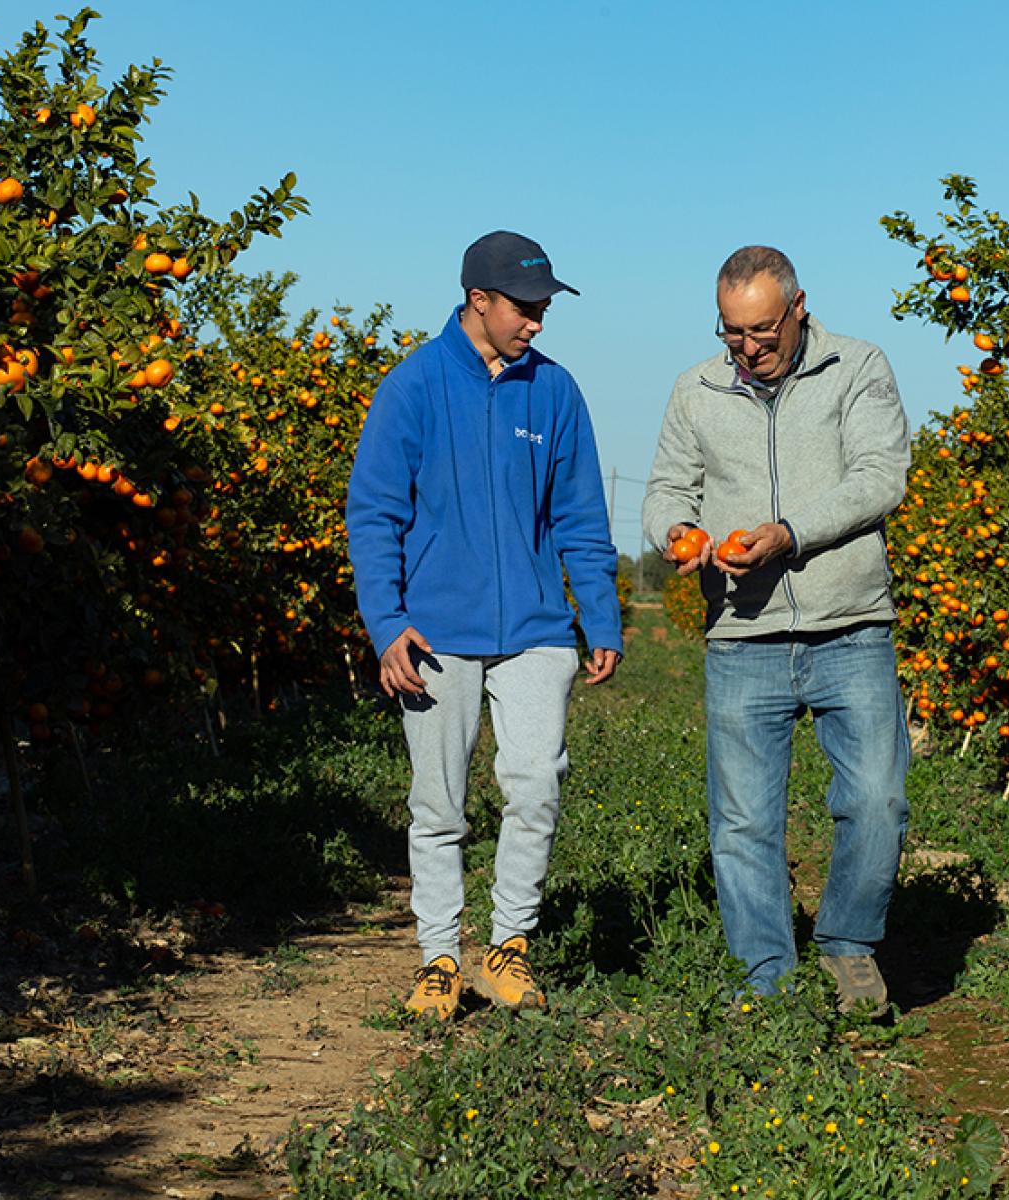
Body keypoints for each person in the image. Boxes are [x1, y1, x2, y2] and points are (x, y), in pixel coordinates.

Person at [346, 230, 622, 1021]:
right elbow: (374, 515)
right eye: (526, 309)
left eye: (542, 309)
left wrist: (597, 614)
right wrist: (387, 624)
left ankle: (509, 946)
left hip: (536, 626)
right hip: (435, 633)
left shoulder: (556, 392)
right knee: (440, 806)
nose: (537, 323)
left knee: (536, 785)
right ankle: (438, 956)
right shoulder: (414, 386)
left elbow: (579, 514)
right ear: (479, 301)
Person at [642, 245, 911, 1014]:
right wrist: (678, 533)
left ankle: (849, 945)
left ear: (798, 308)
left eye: (763, 331)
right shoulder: (694, 391)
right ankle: (765, 979)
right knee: (744, 821)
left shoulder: (856, 368)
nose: (749, 348)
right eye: (733, 334)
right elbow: (665, 491)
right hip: (742, 635)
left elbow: (877, 478)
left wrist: (789, 534)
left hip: (850, 624)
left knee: (878, 801)